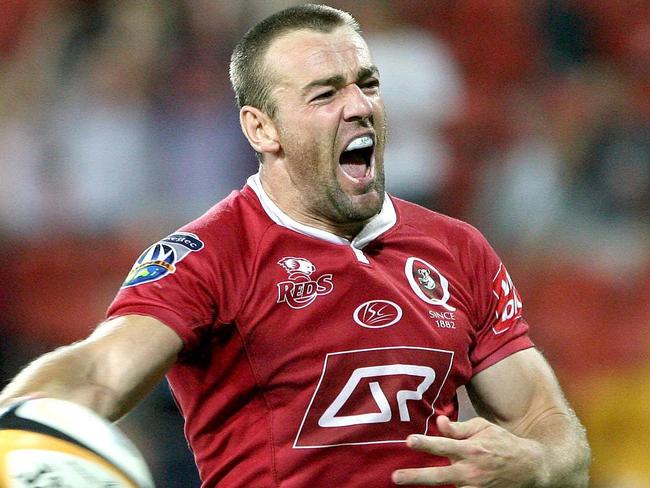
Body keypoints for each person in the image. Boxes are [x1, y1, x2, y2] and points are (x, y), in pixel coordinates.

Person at [0, 4, 590, 487]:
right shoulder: (212, 252)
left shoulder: (459, 249)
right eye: (325, 94)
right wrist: (18, 428)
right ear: (263, 128)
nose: (359, 106)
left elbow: (550, 426)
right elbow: (99, 371)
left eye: (368, 84)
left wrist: (535, 464)